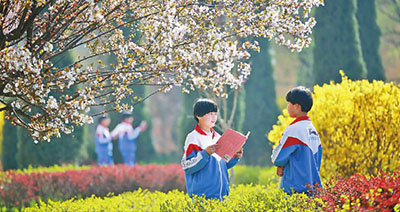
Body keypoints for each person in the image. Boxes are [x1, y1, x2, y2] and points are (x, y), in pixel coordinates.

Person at [181, 98, 243, 200]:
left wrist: (235, 157)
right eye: (210, 113)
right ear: (198, 115)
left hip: (222, 197)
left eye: (215, 113)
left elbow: (223, 165)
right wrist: (205, 154)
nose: (214, 116)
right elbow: (187, 167)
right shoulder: (193, 138)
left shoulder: (218, 137)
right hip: (203, 198)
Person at [271, 86, 322, 195]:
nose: (287, 107)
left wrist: (280, 165)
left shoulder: (293, 130)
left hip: (295, 192)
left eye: (288, 103)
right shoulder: (313, 131)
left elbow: (277, 158)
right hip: (313, 191)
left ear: (297, 107)